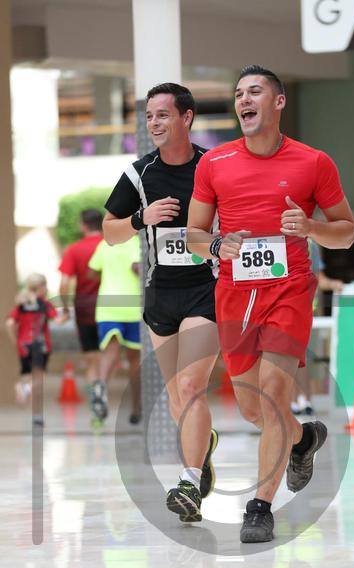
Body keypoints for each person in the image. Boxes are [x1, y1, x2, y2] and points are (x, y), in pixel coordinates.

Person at [188, 65, 354, 543]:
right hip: (235, 294)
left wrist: (312, 228)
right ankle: (303, 439)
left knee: (274, 394)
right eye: (239, 93)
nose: (244, 99)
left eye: (255, 91)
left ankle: (259, 507)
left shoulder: (313, 162)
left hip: (290, 290)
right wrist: (216, 245)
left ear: (278, 102)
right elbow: (194, 236)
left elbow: (345, 232)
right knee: (251, 409)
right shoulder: (214, 163)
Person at [103, 82, 219, 523]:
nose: (154, 123)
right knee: (176, 397)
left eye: (163, 115)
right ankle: (203, 446)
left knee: (191, 387)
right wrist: (140, 218)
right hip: (160, 295)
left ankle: (189, 480)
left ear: (186, 117)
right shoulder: (139, 174)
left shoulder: (214, 166)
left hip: (206, 289)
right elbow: (109, 231)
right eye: (150, 116)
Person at [87, 236, 142, 424]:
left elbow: (91, 272)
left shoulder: (106, 243)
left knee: (110, 352)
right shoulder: (138, 242)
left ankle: (101, 385)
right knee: (135, 359)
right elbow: (137, 268)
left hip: (107, 306)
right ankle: (136, 409)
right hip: (133, 307)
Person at [291, 239, 344, 417]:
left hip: (306, 312)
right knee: (287, 357)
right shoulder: (275, 241)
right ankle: (293, 401)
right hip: (284, 310)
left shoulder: (310, 245)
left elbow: (319, 277)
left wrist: (334, 284)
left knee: (304, 359)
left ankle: (305, 400)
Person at [6, 273, 65, 427]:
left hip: (23, 345)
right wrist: (66, 315)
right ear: (40, 287)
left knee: (28, 376)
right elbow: (58, 321)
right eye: (45, 285)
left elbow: (10, 323)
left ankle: (27, 396)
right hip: (40, 345)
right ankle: (32, 405)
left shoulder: (22, 304)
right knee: (38, 381)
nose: (47, 289)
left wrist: (15, 341)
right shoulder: (44, 304)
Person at [58, 209, 103, 391]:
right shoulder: (110, 246)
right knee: (108, 355)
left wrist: (65, 309)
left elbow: (64, 284)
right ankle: (103, 390)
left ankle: (95, 396)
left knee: (91, 357)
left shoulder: (74, 249)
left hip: (84, 308)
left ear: (83, 226)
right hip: (109, 308)